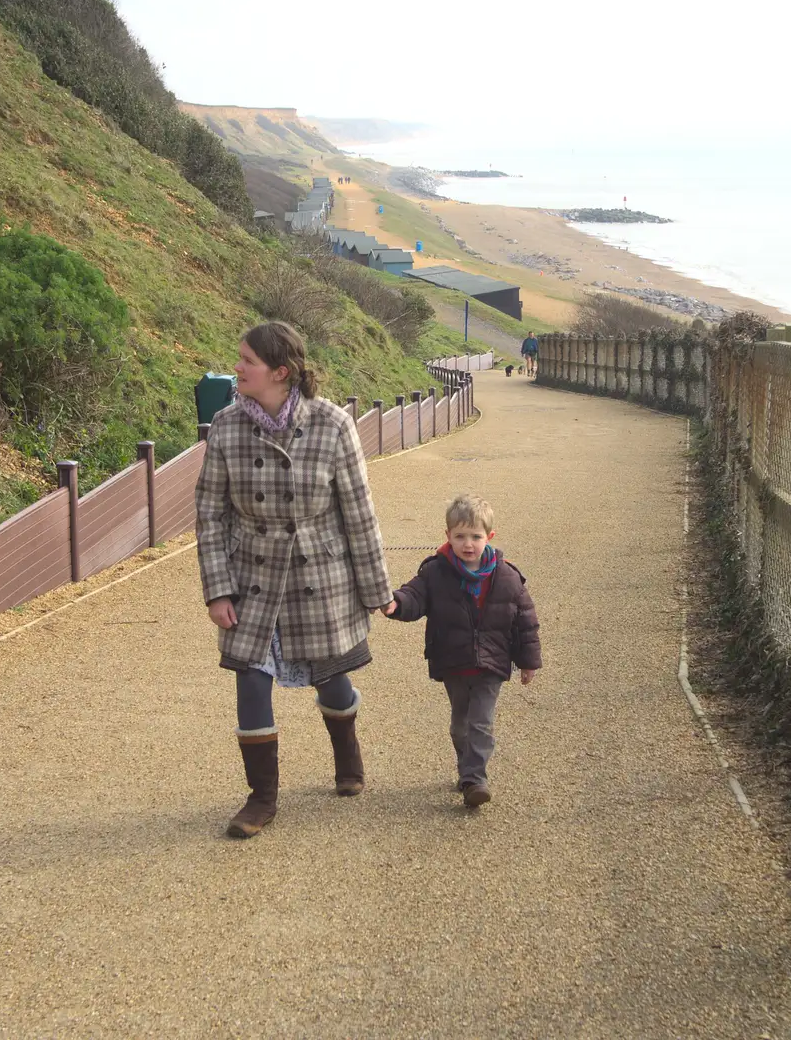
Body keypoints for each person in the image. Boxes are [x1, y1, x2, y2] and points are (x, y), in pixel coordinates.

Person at [196, 321, 393, 839]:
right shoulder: (225, 426)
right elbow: (210, 514)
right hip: (251, 576)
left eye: (247, 361)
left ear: (280, 372)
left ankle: (347, 755)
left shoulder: (332, 425)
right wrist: (217, 589)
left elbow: (359, 512)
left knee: (332, 677)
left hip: (319, 574)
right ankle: (262, 798)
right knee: (251, 679)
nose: (236, 367)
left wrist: (376, 590)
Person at [381, 494, 541, 807]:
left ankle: (475, 778)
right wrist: (395, 603)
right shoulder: (436, 573)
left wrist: (527, 661)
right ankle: (466, 766)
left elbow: (525, 622)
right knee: (459, 725)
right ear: (448, 536)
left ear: (489, 537)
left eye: (476, 537)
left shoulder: (507, 577)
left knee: (480, 722)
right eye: (460, 536)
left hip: (491, 664)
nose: (468, 544)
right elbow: (415, 595)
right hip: (453, 662)